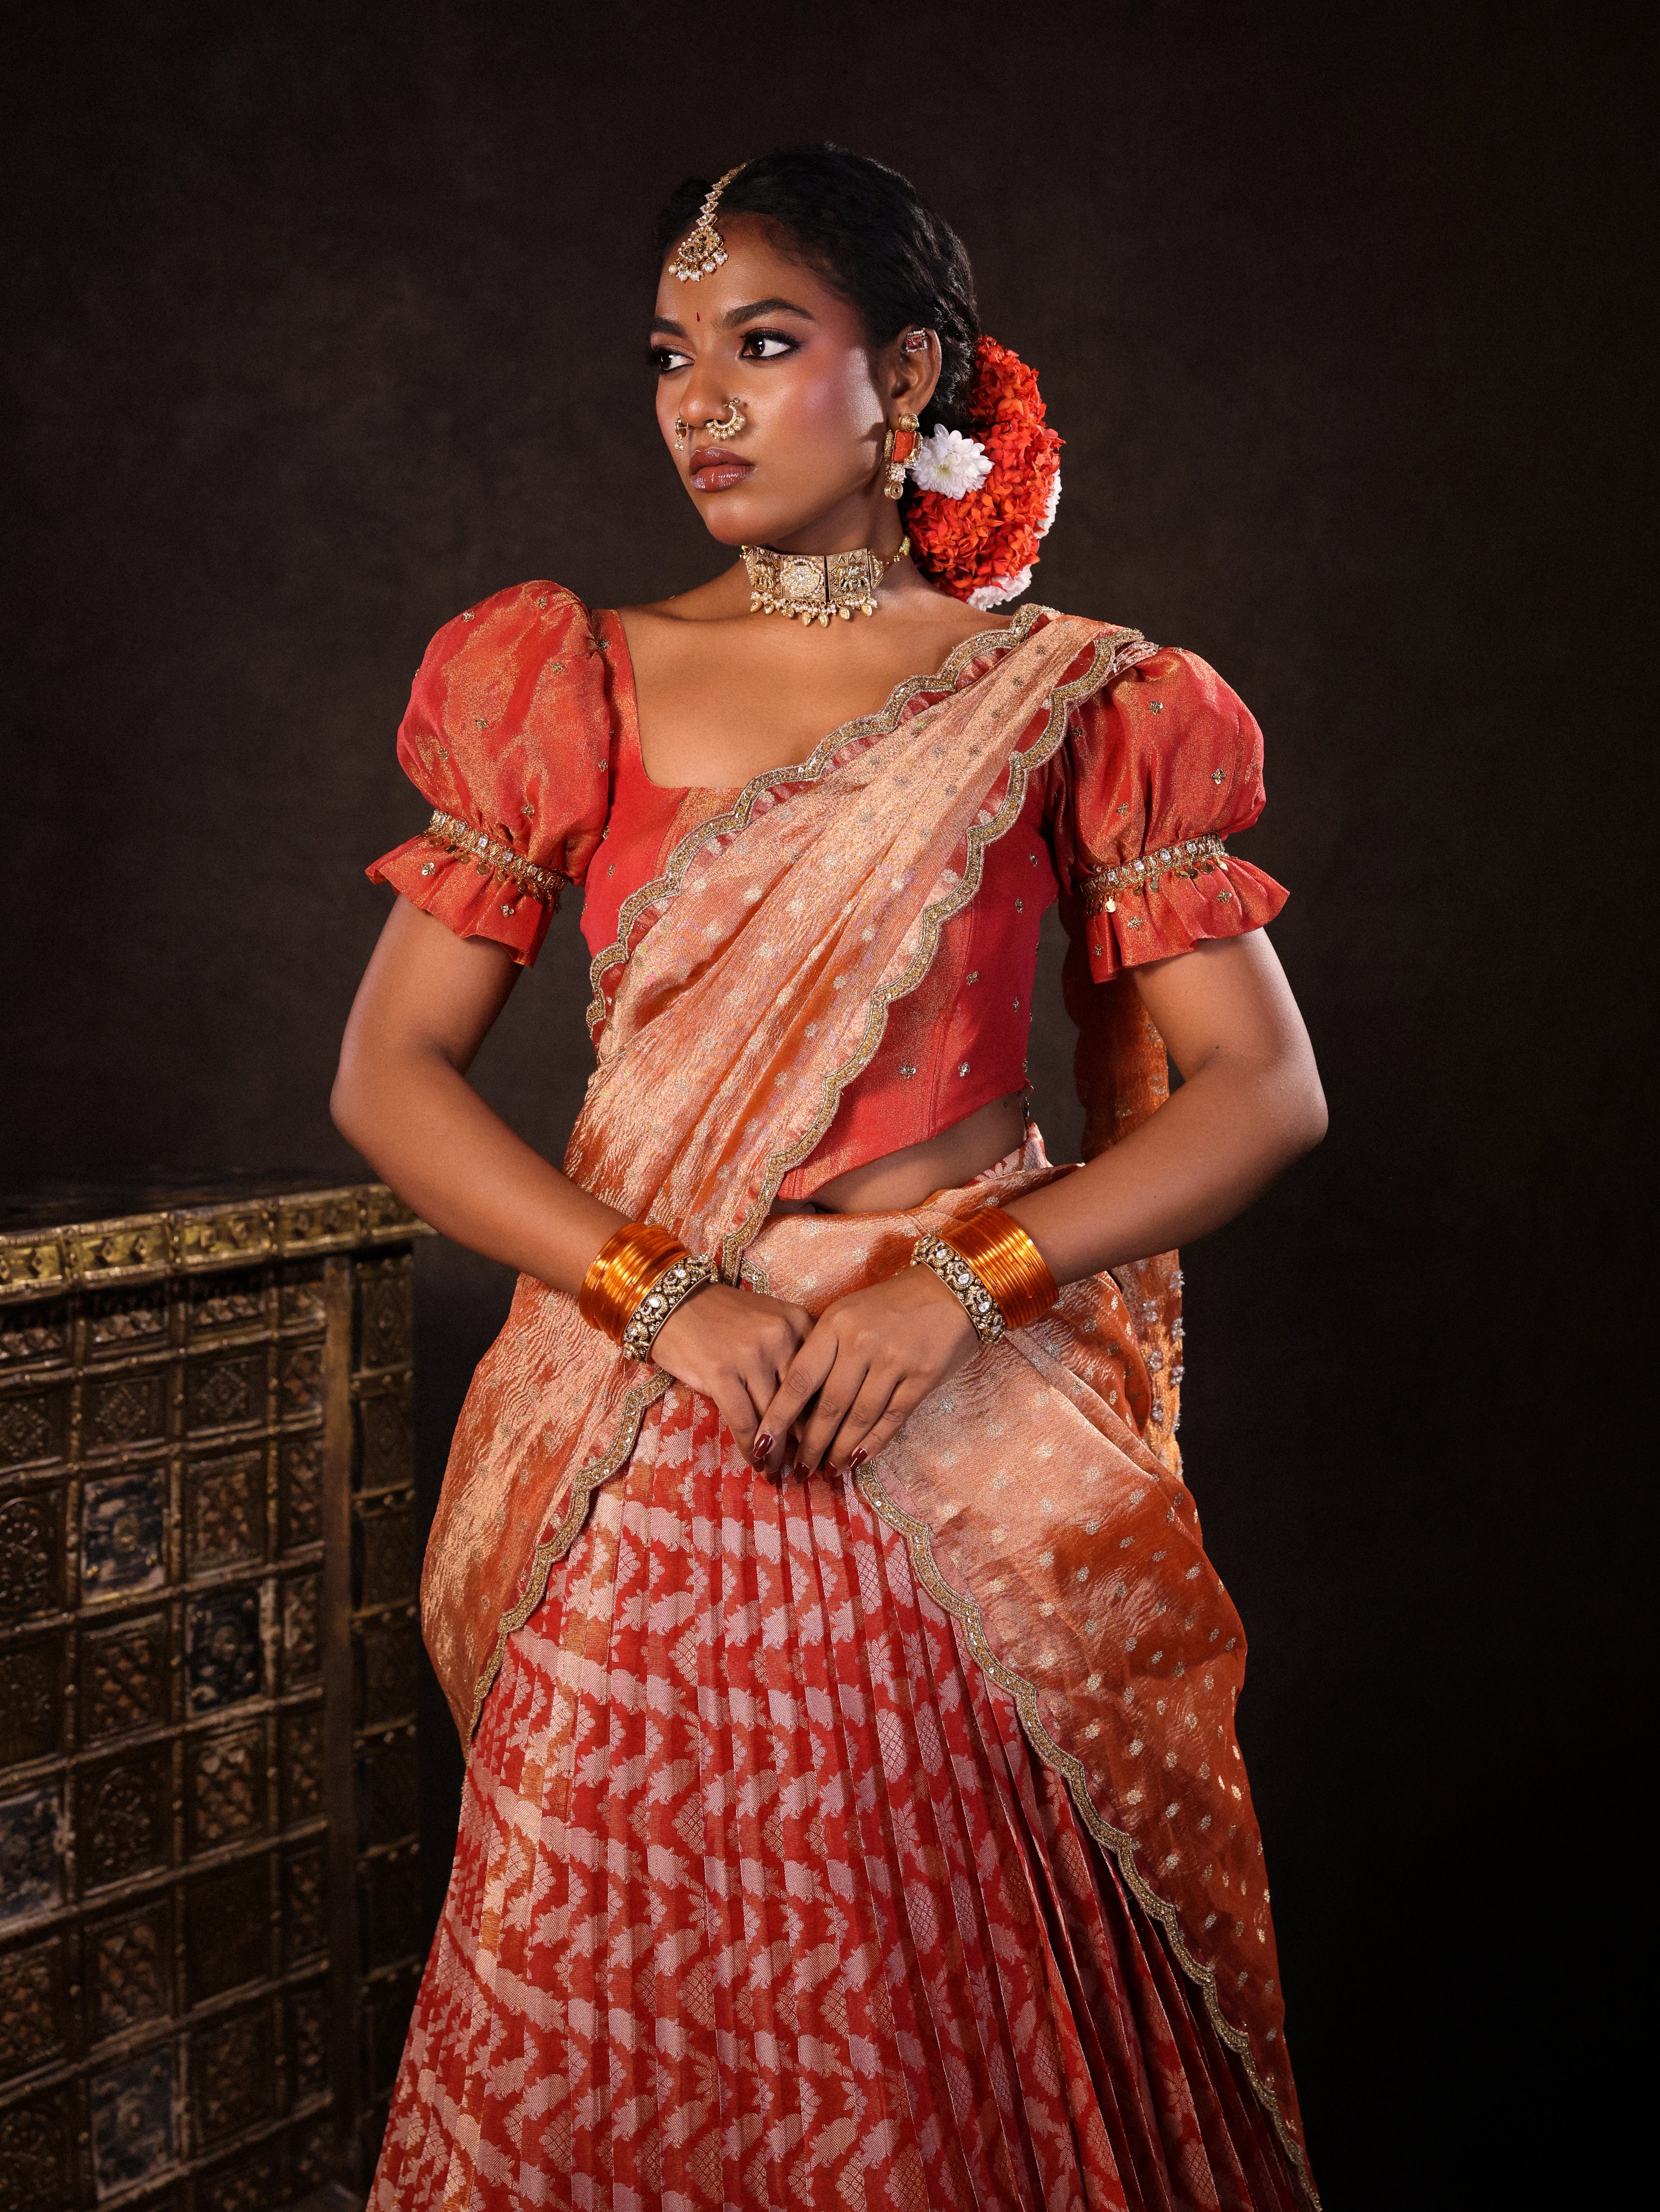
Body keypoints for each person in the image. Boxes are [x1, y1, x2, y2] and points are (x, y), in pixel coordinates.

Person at [334, 143, 1328, 2212]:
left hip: (954, 1433)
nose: (697, 399)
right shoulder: (567, 676)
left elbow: (1258, 1088)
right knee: (604, 1967)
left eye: (764, 346)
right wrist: (658, 1294)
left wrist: (950, 1285)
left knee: (936, 1985)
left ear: (912, 379)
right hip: (644, 1434)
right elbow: (391, 1075)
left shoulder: (1077, 698)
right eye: (671, 356)